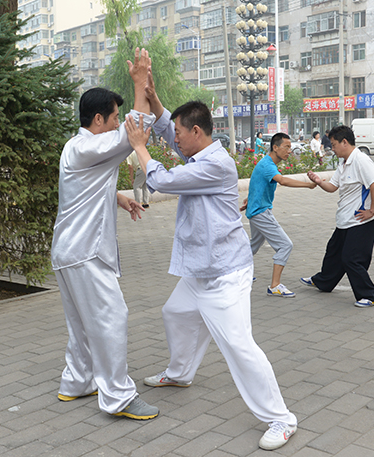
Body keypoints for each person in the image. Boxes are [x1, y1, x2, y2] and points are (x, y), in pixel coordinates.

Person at [124, 69, 298, 451]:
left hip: (225, 273)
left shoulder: (215, 165)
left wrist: (139, 145)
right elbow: (171, 129)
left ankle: (281, 419)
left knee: (238, 344)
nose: (174, 138)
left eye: (181, 134)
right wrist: (152, 97)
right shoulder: (200, 148)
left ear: (198, 133)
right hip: (200, 269)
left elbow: (163, 181)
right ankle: (181, 372)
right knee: (176, 313)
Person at [50, 48, 159, 420]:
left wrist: (119, 199)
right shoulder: (90, 144)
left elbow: (85, 187)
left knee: (81, 323)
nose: (118, 124)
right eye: (114, 118)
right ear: (98, 119)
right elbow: (135, 134)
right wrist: (141, 83)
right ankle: (118, 397)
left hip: (68, 252)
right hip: (84, 252)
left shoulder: (76, 147)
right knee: (112, 317)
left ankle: (77, 381)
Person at [301, 125, 374, 308]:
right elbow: (332, 187)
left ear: (344, 142)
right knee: (334, 252)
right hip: (345, 219)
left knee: (351, 259)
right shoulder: (344, 162)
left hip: (361, 220)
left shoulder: (361, 160)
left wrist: (371, 211)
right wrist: (318, 181)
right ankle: (323, 281)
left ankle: (370, 295)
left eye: (334, 144)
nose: (332, 148)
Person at [240, 133, 316, 298]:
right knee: (285, 245)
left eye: (290, 147)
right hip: (260, 213)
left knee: (252, 245)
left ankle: (237, 274)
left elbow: (256, 182)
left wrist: (250, 199)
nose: (289, 151)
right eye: (286, 147)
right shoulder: (268, 165)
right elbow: (282, 181)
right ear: (275, 147)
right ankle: (274, 286)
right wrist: (308, 185)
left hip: (256, 210)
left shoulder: (266, 163)